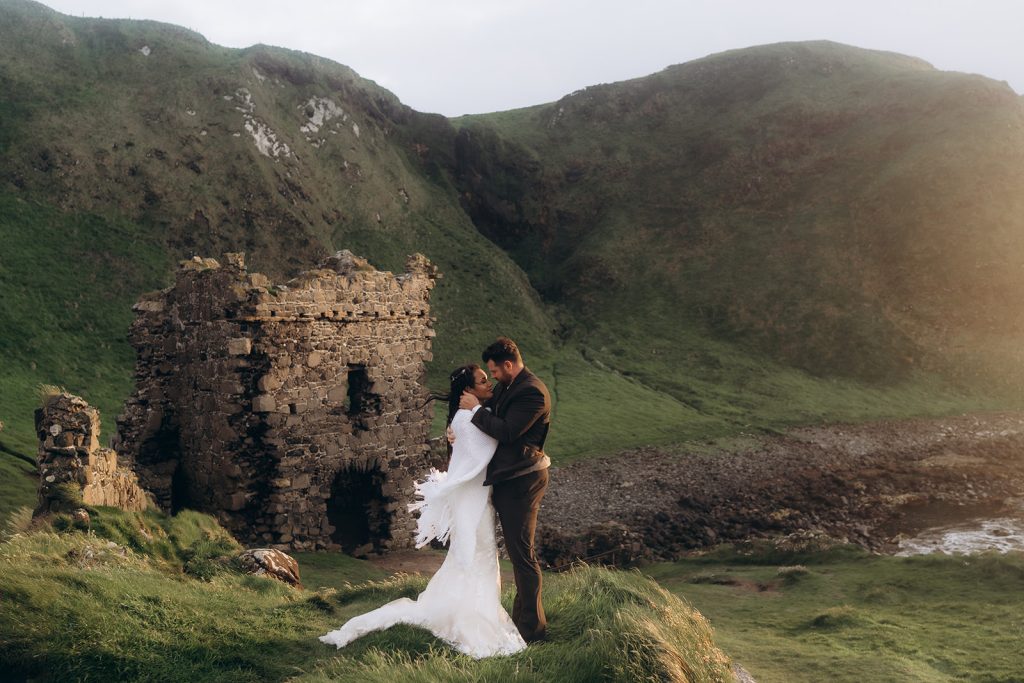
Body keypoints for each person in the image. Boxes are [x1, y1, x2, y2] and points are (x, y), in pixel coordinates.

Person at [319, 364, 527, 659]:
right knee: (477, 560)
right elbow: (492, 445)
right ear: (468, 391)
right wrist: (479, 418)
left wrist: (477, 414)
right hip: (474, 503)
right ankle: (474, 621)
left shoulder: (469, 416)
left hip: (476, 500)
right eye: (483, 381)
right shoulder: (468, 419)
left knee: (473, 561)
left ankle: (471, 611)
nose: (489, 384)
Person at [458, 337, 551, 643]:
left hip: (523, 480)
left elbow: (508, 432)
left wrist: (475, 411)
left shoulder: (532, 393)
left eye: (494, 371)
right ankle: (521, 618)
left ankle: (532, 629)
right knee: (516, 551)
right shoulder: (509, 386)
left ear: (508, 365)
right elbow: (493, 418)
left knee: (523, 554)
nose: (493, 377)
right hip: (508, 479)